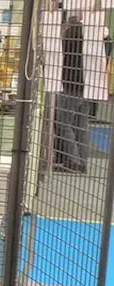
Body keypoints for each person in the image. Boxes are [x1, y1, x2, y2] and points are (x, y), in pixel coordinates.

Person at [53, 13, 89, 173]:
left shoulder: (69, 38)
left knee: (63, 123)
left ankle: (73, 161)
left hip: (70, 84)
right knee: (81, 125)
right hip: (87, 85)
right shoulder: (92, 39)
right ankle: (81, 162)